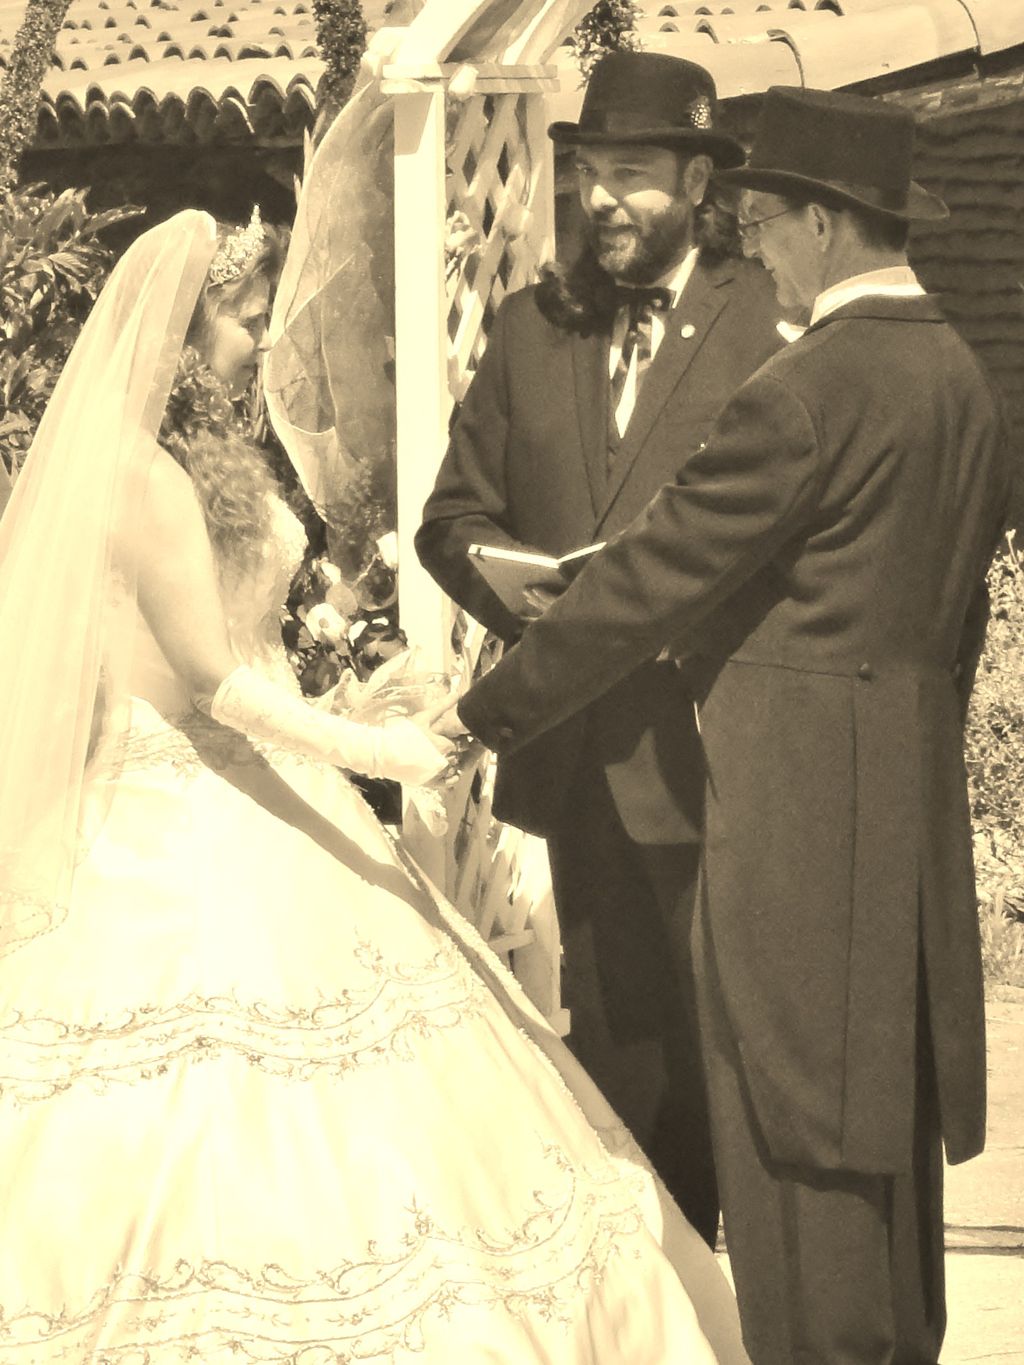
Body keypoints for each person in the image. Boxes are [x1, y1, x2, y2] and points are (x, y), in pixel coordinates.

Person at [0, 208, 751, 1363]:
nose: (258, 347)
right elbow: (208, 685)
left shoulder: (190, 454)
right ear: (191, 321)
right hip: (182, 821)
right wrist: (386, 755)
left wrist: (345, 706)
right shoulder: (138, 476)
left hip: (256, 780)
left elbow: (237, 655)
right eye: (248, 326)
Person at [454, 86, 1011, 1365]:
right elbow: (918, 606)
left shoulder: (803, 388)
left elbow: (650, 582)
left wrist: (484, 709)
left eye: (763, 220)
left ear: (823, 224)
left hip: (794, 831)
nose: (753, 245)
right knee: (883, 1176)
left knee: (794, 1172)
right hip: (903, 826)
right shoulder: (963, 379)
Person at [415, 51, 783, 1246]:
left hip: (723, 762)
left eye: (633, 174)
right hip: (583, 772)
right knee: (622, 1070)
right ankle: (661, 1303)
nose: (605, 201)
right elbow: (450, 516)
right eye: (590, 177)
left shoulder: (770, 320)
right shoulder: (529, 329)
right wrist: (512, 587)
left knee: (733, 1059)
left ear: (694, 176)